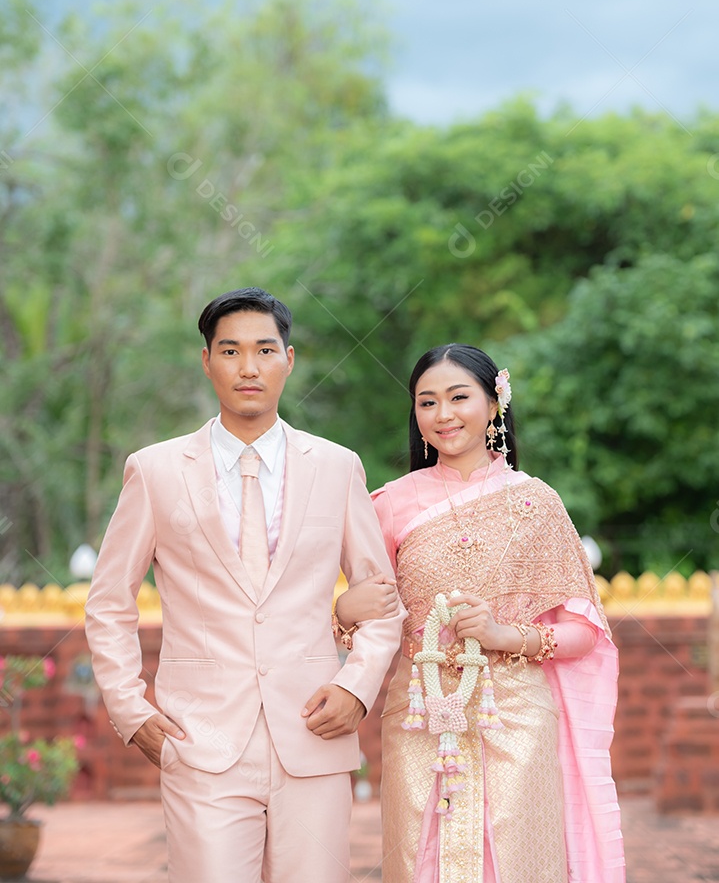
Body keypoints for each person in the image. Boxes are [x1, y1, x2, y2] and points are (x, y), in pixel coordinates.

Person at [85, 287, 404, 883]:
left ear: (290, 358)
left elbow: (382, 600)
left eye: (264, 350)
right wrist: (129, 709)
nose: (248, 367)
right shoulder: (154, 471)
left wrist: (357, 686)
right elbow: (109, 603)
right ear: (206, 361)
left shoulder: (338, 467)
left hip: (313, 732)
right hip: (200, 742)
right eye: (230, 351)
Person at [336, 343, 626, 883]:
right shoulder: (388, 504)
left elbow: (585, 633)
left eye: (458, 397)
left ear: (494, 404)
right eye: (427, 402)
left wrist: (503, 635)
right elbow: (370, 620)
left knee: (517, 861)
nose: (443, 415)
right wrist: (343, 611)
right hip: (420, 715)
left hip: (516, 716)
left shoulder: (536, 502)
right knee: (417, 859)